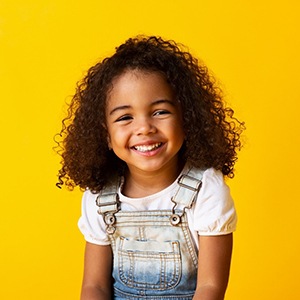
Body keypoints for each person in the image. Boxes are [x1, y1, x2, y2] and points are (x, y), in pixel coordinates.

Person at [56, 35, 244, 300]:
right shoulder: (100, 197)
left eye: (160, 112)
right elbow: (94, 287)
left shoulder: (206, 191)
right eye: (125, 117)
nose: (144, 128)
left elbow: (210, 288)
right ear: (106, 135)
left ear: (186, 118)